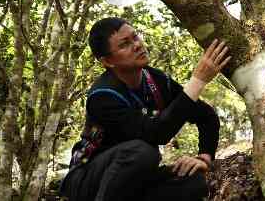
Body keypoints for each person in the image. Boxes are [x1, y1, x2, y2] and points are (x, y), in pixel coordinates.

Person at [60, 17, 230, 201]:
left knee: (194, 182)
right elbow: (157, 133)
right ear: (108, 61)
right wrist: (198, 81)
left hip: (132, 179)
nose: (137, 45)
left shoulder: (156, 80)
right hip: (87, 180)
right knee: (142, 152)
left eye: (135, 37)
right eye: (125, 44)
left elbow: (206, 116)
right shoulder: (102, 96)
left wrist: (204, 159)